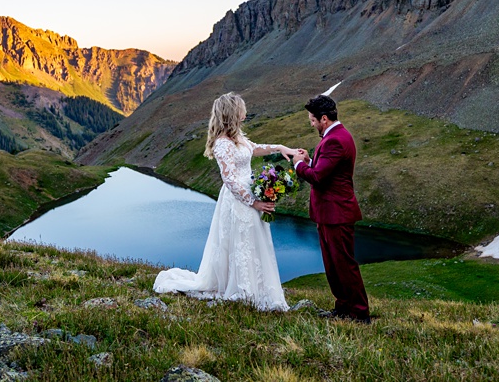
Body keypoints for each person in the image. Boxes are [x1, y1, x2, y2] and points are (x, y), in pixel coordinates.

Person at [153, 92, 294, 311]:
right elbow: (229, 180)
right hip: (238, 201)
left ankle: (257, 290)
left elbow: (254, 148)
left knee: (253, 242)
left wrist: (281, 148)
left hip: (249, 196)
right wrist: (254, 203)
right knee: (240, 243)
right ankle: (243, 290)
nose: (244, 112)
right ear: (232, 112)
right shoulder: (222, 144)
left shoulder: (238, 138)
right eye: (241, 108)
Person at [291, 94, 370, 323]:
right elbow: (325, 168)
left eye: (313, 120)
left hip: (337, 214)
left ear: (323, 118)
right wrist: (308, 160)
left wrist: (298, 165)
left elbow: (318, 177)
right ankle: (344, 308)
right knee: (334, 266)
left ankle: (359, 313)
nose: (312, 124)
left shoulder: (335, 139)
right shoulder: (335, 136)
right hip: (329, 214)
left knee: (344, 265)